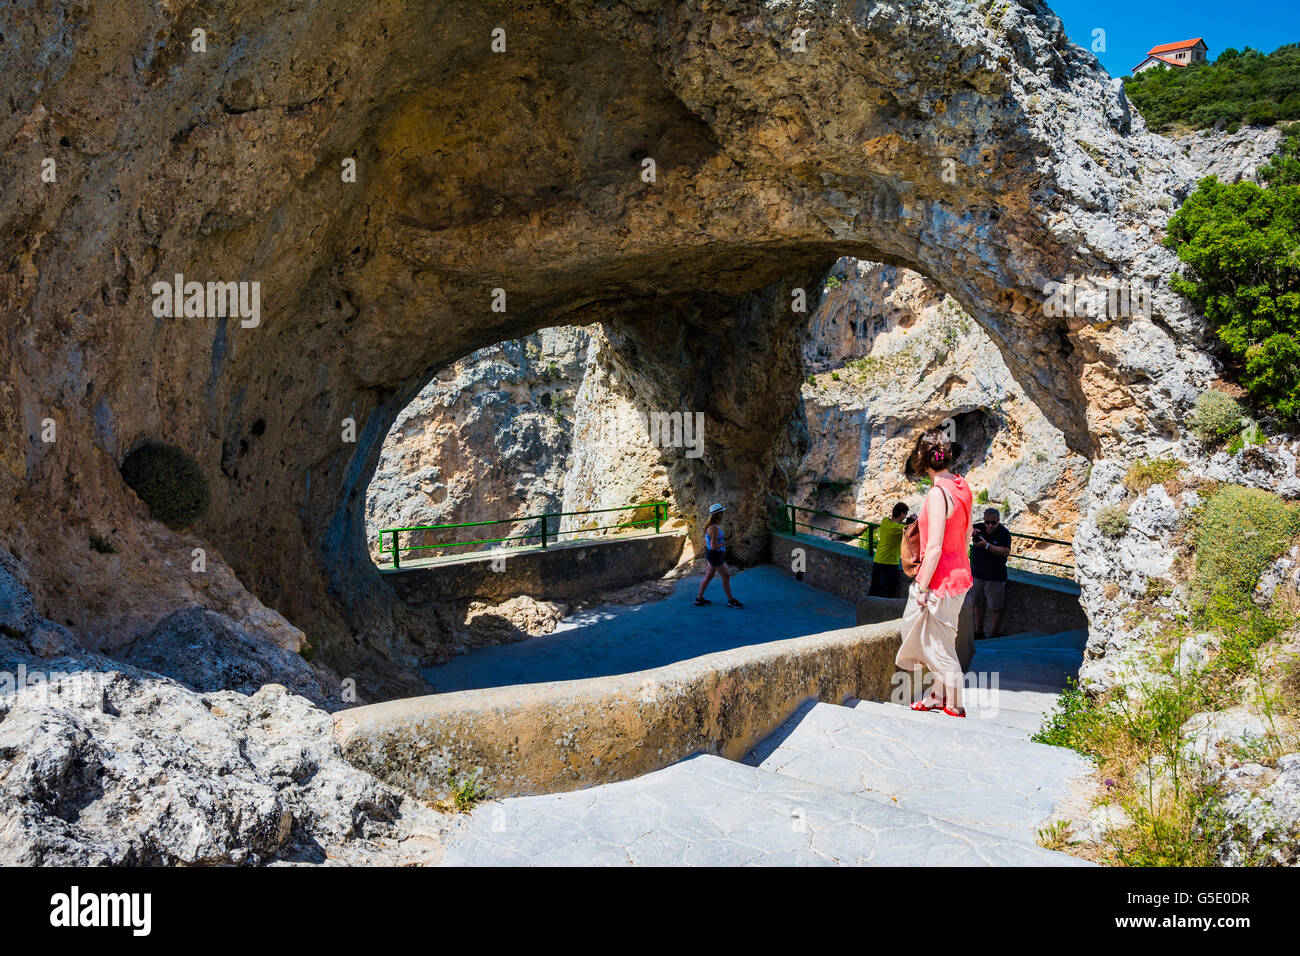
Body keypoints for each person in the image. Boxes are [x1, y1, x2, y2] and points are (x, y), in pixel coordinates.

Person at [895, 429, 973, 717]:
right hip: (960, 577)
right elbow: (966, 536)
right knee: (943, 639)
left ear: (921, 457)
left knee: (937, 647)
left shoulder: (938, 493)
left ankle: (954, 704)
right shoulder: (961, 484)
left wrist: (922, 586)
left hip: (940, 582)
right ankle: (937, 695)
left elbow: (936, 548)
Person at [970, 507, 1012, 638]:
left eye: (993, 523)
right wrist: (969, 532)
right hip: (977, 575)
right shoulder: (978, 528)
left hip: (995, 577)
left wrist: (986, 545)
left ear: (998, 521)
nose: (989, 526)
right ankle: (978, 631)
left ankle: (994, 633)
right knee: (978, 604)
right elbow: (959, 529)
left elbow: (1005, 551)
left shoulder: (1004, 533)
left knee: (995, 607)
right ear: (984, 520)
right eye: (987, 522)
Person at [695, 503, 743, 608]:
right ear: (718, 514)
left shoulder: (711, 526)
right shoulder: (714, 528)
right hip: (714, 554)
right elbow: (713, 546)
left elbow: (708, 542)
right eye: (722, 512)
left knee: (709, 575)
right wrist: (727, 542)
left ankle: (699, 598)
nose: (723, 514)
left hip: (712, 554)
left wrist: (722, 542)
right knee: (726, 575)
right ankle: (731, 601)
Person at [867, 502, 909, 598]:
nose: (905, 517)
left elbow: (902, 527)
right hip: (889, 562)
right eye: (905, 514)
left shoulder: (885, 521)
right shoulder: (898, 528)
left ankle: (870, 609)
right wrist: (913, 521)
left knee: (874, 588)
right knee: (886, 591)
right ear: (902, 513)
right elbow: (911, 529)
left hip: (878, 559)